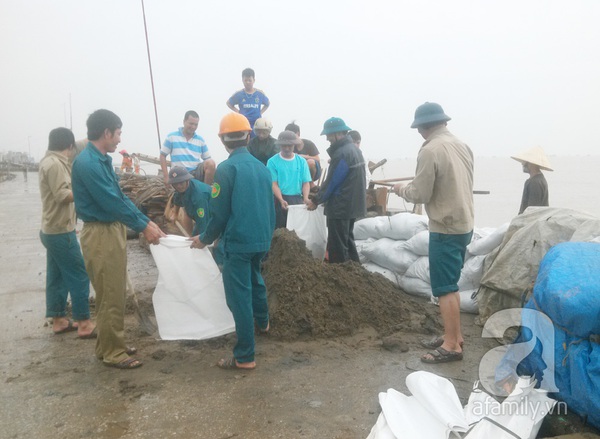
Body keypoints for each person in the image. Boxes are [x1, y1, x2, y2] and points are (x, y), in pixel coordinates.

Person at [72, 109, 165, 369]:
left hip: (110, 229)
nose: (119, 140)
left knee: (111, 291)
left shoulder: (100, 160)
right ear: (106, 133)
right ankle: (114, 352)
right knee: (111, 293)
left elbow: (121, 198)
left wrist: (146, 221)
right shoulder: (89, 164)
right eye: (118, 134)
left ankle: (108, 345)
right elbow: (111, 202)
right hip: (100, 233)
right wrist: (142, 227)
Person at [190, 112, 275, 370]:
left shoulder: (226, 170)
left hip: (238, 242)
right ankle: (264, 322)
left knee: (239, 298)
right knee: (255, 279)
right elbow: (269, 207)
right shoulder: (263, 168)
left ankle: (245, 356)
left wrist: (205, 239)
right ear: (248, 136)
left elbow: (219, 214)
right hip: (260, 240)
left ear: (223, 140)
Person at [392, 102, 474, 364]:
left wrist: (402, 189)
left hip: (446, 227)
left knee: (444, 288)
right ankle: (455, 335)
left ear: (423, 127)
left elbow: (422, 193)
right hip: (465, 223)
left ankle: (451, 346)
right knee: (451, 282)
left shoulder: (430, 150)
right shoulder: (461, 145)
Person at [39, 127, 95, 338]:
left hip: (50, 229)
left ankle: (59, 319)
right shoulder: (55, 165)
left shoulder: (49, 160)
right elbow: (63, 195)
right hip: (61, 231)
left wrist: (94, 136)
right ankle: (84, 323)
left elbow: (82, 143)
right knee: (80, 275)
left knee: (57, 275)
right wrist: (87, 191)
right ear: (69, 146)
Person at [307, 117, 366, 263]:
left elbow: (332, 182)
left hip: (340, 207)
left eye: (328, 135)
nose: (327, 139)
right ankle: (356, 275)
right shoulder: (354, 150)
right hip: (353, 205)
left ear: (338, 134)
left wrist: (316, 200)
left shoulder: (341, 154)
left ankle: (340, 279)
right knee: (348, 241)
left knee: (337, 247)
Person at [267, 130, 312, 229]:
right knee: (280, 230)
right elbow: (273, 184)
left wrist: (305, 198)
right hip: (279, 200)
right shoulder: (272, 162)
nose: (287, 148)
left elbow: (306, 183)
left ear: (294, 145)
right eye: (284, 146)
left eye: (290, 146)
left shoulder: (301, 161)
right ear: (279, 145)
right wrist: (281, 199)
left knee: (297, 229)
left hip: (297, 199)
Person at [160, 110, 216, 185]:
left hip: (195, 173)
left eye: (196, 124)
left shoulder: (200, 140)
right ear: (184, 122)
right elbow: (162, 156)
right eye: (191, 124)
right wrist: (166, 176)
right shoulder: (172, 137)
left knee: (211, 163)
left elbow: (208, 159)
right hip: (179, 173)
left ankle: (206, 190)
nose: (193, 127)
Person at [167, 166, 212, 237]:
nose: (178, 186)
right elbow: (177, 199)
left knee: (206, 239)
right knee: (193, 238)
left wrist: (202, 239)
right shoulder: (180, 189)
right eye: (175, 184)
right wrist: (175, 214)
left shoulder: (199, 196)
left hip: (212, 218)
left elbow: (203, 224)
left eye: (181, 183)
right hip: (200, 217)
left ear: (187, 180)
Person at [226, 68, 270, 137]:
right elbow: (228, 103)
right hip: (244, 124)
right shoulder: (239, 94)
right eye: (245, 80)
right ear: (242, 80)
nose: (248, 82)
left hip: (256, 125)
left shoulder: (259, 94)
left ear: (254, 80)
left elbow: (267, 104)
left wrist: (260, 112)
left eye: (250, 80)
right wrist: (238, 112)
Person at [511, 146, 552, 214]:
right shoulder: (540, 179)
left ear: (531, 164)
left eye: (524, 162)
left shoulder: (534, 183)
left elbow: (532, 211)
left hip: (532, 222)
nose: (522, 164)